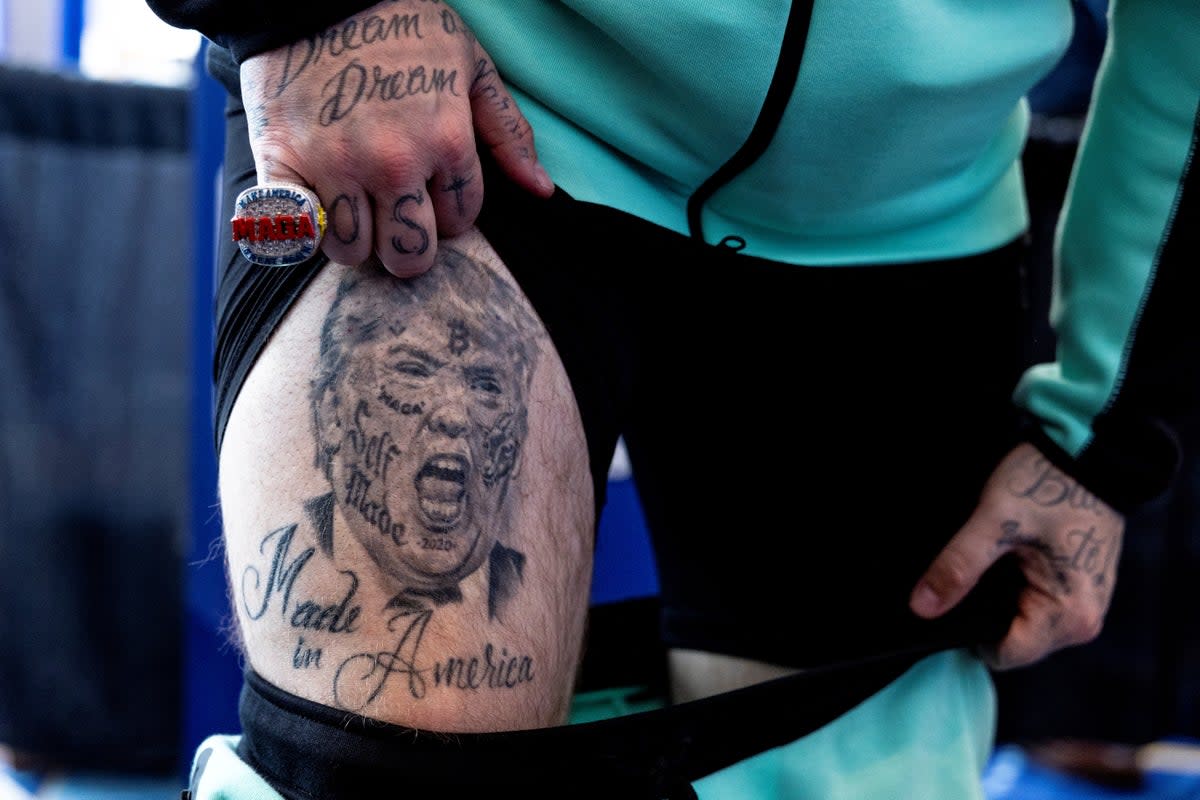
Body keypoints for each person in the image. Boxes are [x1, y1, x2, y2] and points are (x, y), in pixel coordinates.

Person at [147, 1, 1200, 797]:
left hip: (904, 215)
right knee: (389, 769)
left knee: (856, 769)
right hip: (469, 103)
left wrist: (1100, 434)